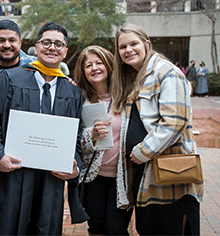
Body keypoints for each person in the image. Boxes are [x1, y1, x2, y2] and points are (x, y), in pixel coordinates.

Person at [0, 21, 86, 235]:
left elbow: (76, 136)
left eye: (58, 44)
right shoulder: (8, 79)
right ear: (36, 47)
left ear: (65, 51)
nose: (52, 47)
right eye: (46, 42)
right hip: (12, 176)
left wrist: (74, 168)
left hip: (50, 183)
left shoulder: (72, 92)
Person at [112, 23, 203, 235]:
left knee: (171, 229)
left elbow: (175, 121)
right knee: (150, 228)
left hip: (170, 173)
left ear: (147, 44)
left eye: (133, 44)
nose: (128, 50)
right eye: (122, 47)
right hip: (146, 173)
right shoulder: (135, 77)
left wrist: (143, 152)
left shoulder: (167, 72)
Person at [74, 45, 132, 235]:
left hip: (122, 177)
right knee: (96, 227)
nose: (94, 68)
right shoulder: (79, 99)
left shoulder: (127, 96)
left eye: (99, 63)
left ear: (108, 65)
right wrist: (90, 135)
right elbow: (74, 140)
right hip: (93, 177)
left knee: (116, 229)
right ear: (83, 71)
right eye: (88, 65)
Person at [0, 19, 36, 88]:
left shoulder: (37, 68)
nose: (7, 45)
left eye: (12, 40)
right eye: (1, 40)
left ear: (20, 42)